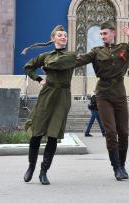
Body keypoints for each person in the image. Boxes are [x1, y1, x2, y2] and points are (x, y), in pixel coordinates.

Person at [75, 20, 129, 181]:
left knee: (124, 132)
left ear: (113, 33)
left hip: (119, 94)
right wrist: (57, 61)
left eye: (105, 33)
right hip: (103, 93)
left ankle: (122, 165)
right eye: (101, 34)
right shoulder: (96, 51)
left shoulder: (124, 48)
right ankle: (116, 167)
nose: (102, 36)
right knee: (110, 132)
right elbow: (78, 61)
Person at [22, 25, 77, 185]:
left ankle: (43, 172)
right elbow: (28, 67)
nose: (63, 37)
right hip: (47, 94)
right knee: (37, 133)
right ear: (53, 38)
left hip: (63, 97)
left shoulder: (71, 55)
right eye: (60, 35)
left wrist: (47, 67)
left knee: (53, 135)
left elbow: (60, 63)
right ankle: (31, 167)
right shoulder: (45, 55)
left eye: (65, 35)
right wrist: (39, 79)